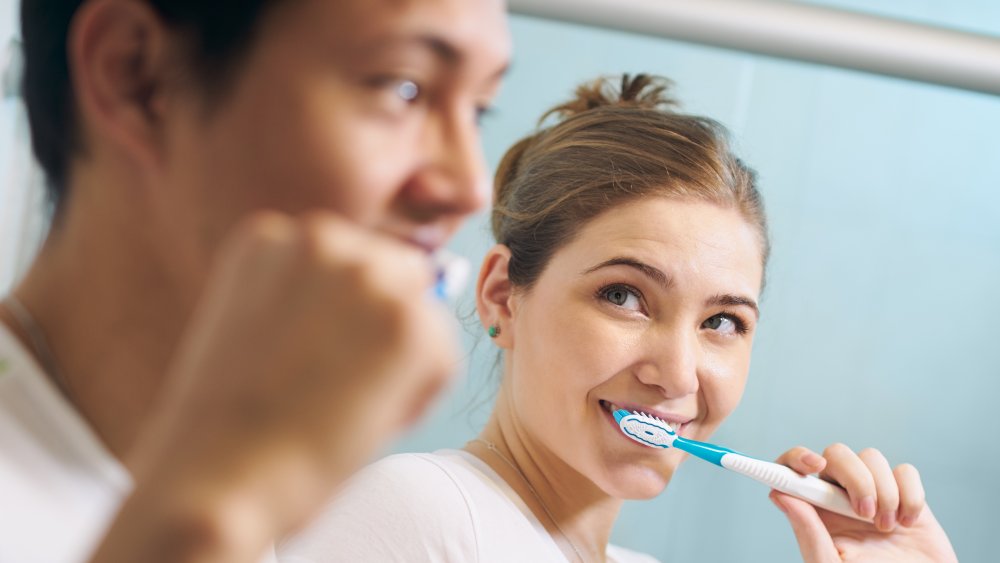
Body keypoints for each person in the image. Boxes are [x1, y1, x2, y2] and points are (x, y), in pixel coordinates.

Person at [277, 75, 958, 563]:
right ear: (500, 295)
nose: (677, 374)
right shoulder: (421, 513)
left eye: (722, 321)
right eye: (624, 296)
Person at [0, 0, 510, 562]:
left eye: (480, 110)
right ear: (136, 75)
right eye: (403, 88)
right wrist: (216, 511)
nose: (468, 188)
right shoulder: (221, 500)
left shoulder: (238, 485)